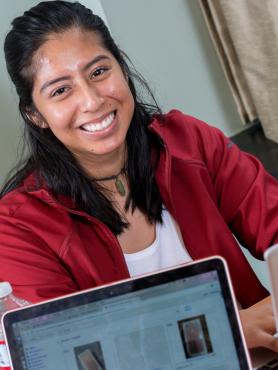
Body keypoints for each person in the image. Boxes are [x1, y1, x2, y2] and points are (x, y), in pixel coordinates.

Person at [0, 0, 277, 352]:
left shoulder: (189, 142)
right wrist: (226, 330)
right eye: (60, 90)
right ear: (35, 114)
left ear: (122, 68)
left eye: (99, 71)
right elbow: (65, 355)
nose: (92, 100)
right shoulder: (17, 229)